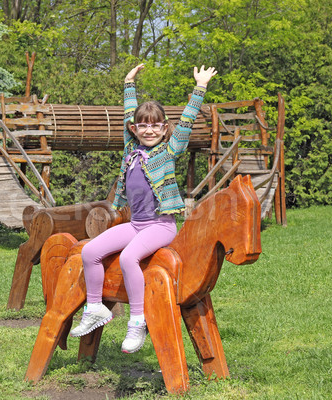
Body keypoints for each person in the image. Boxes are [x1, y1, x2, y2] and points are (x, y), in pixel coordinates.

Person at [70, 63, 218, 353]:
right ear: (134, 130)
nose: (148, 130)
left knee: (128, 258)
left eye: (155, 125)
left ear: (164, 129)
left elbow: (186, 122)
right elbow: (128, 112)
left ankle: (137, 321)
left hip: (160, 226)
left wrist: (199, 87)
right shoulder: (130, 149)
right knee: (89, 251)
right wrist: (128, 83)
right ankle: (96, 308)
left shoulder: (167, 152)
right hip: (136, 224)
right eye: (143, 125)